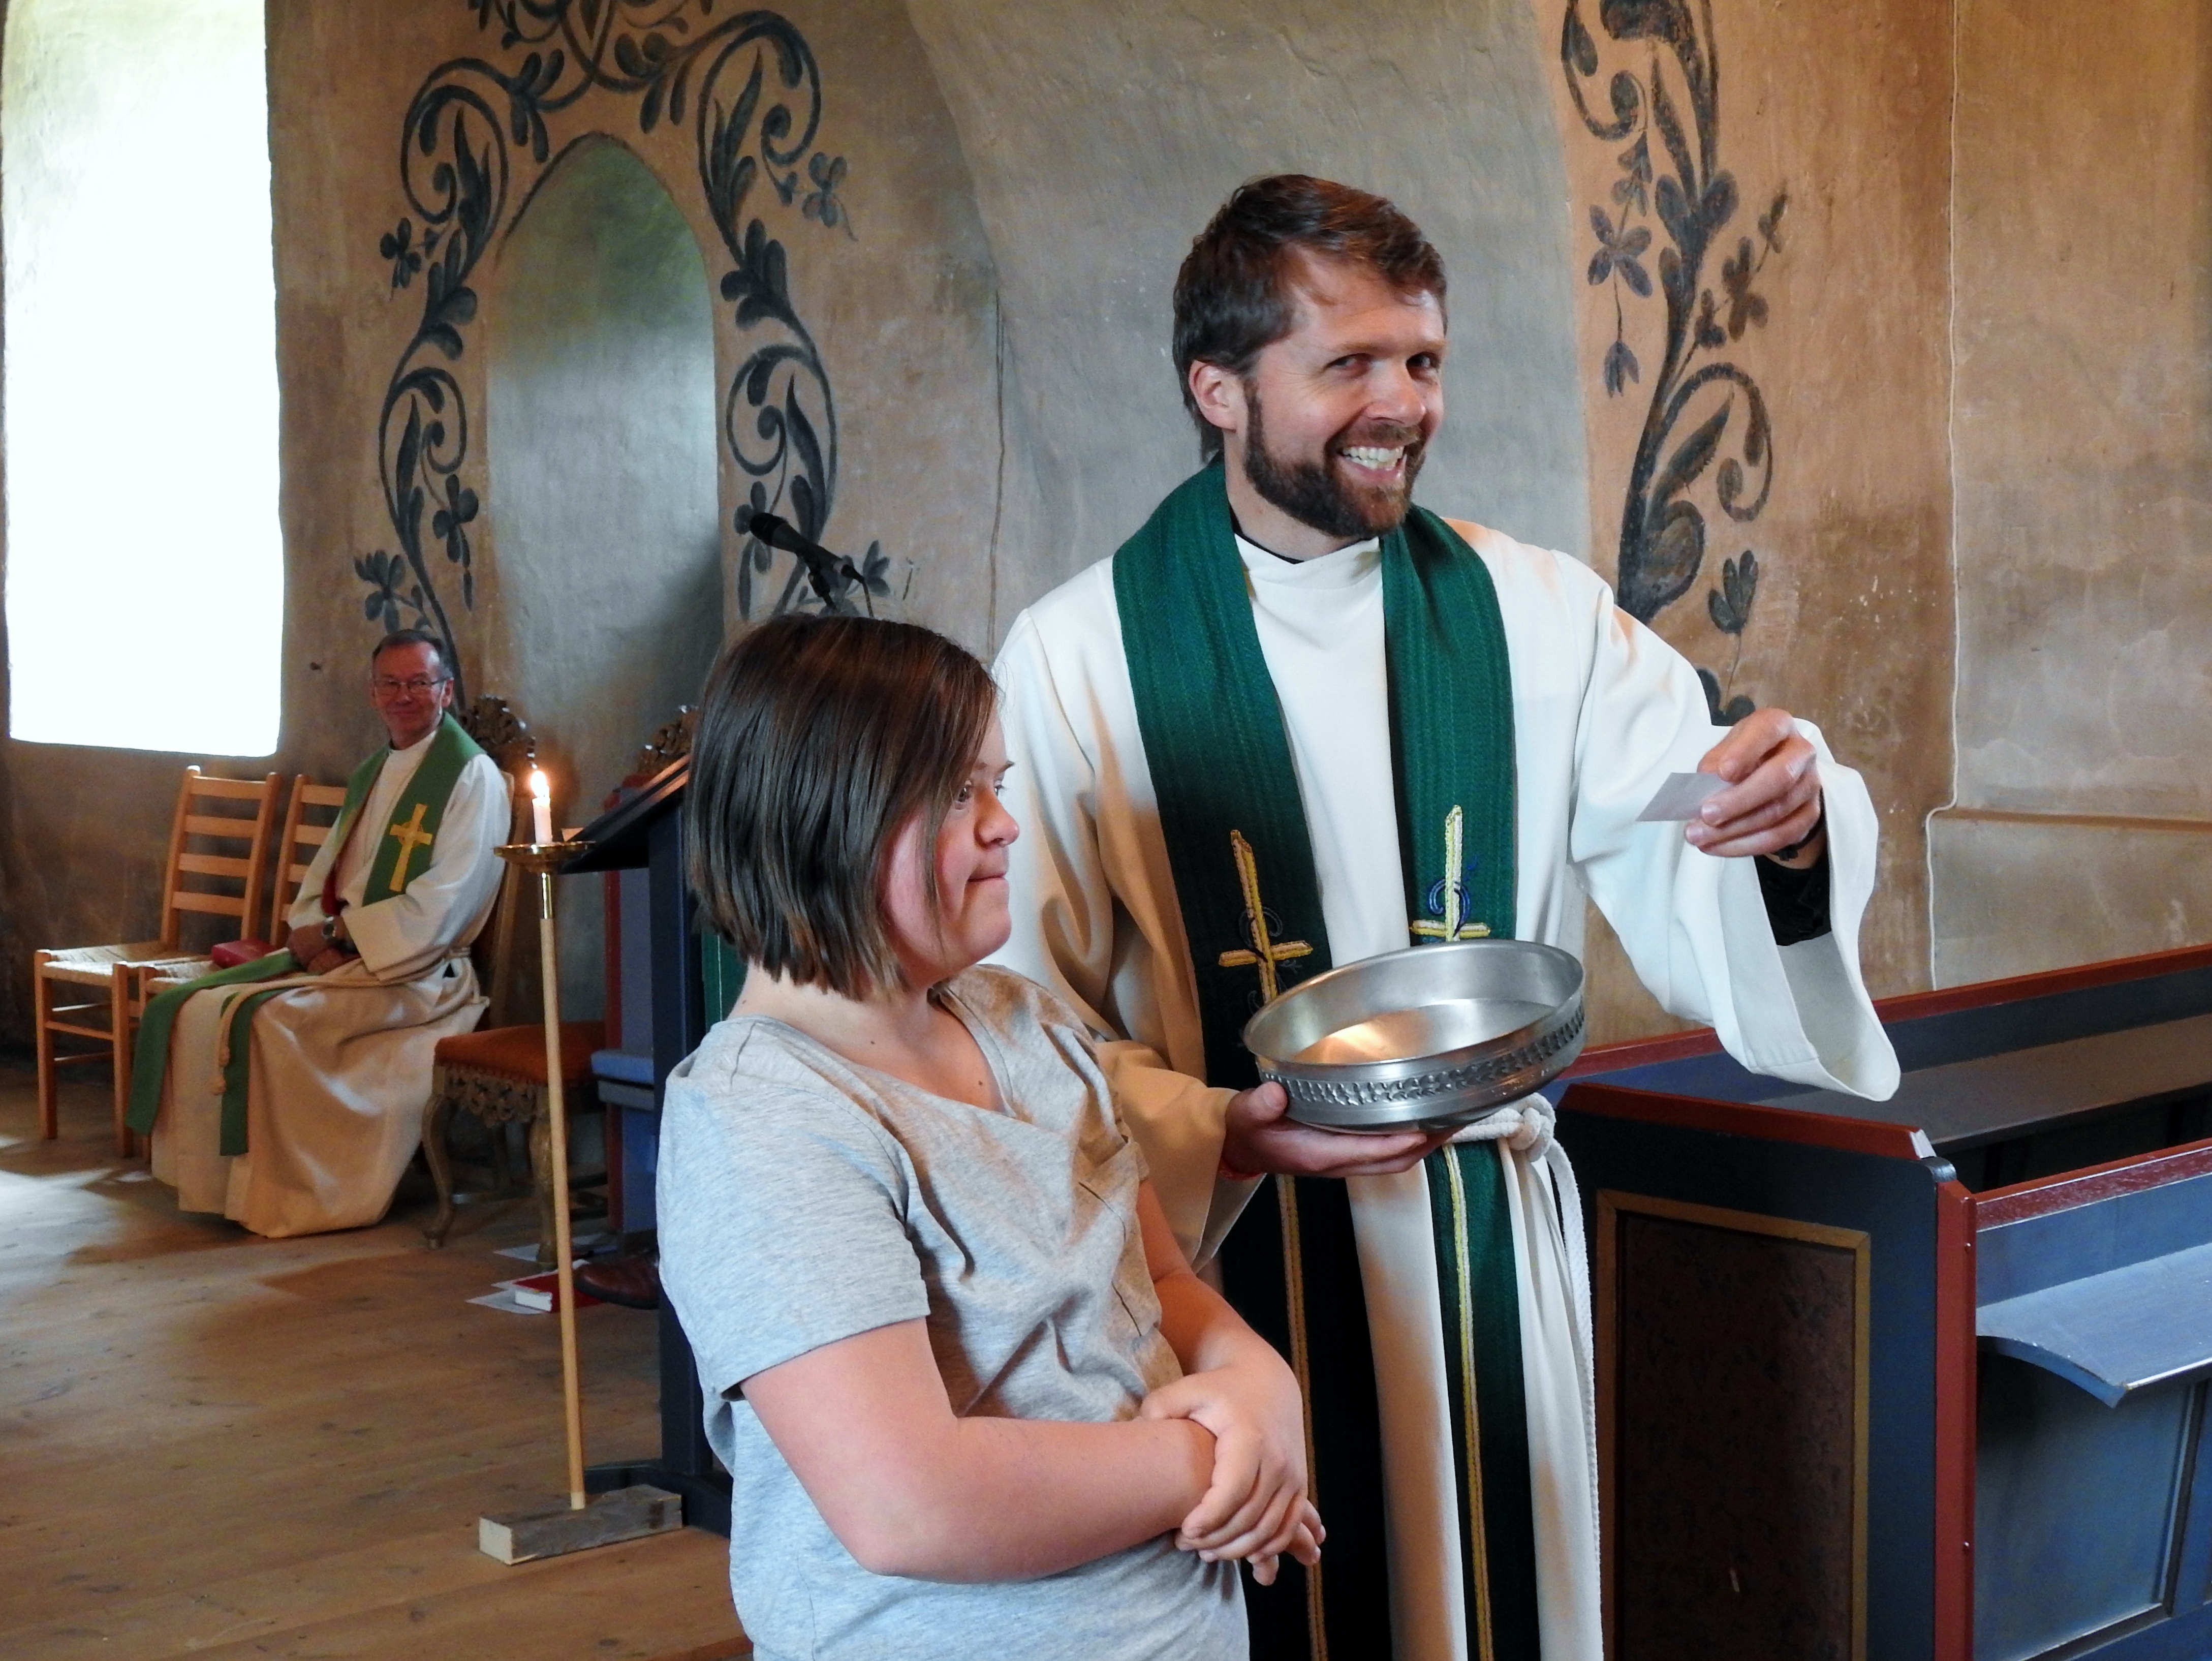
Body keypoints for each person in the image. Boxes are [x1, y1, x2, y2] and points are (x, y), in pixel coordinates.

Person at [989, 175, 1901, 1661]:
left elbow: (1682, 828)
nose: (1398, 403)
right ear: (1215, 388)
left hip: (1485, 1234)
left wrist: (1775, 821)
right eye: (1344, 363)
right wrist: (1215, 1125)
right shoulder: (1078, 659)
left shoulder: (1533, 615)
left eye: (1420, 361)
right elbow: (1012, 1025)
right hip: (1230, 1260)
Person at [656, 614, 1319, 1660]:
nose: (1005, 823)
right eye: (961, 791)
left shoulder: (1028, 1019)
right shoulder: (765, 1119)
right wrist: (1218, 1459)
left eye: (997, 783)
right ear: (826, 807)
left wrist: (1260, 1389)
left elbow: (1159, 1278)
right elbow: (909, 1503)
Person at [129, 629, 505, 1237]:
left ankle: (300, 1197)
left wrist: (338, 936)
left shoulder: (471, 777)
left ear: (446, 690)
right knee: (198, 1007)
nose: (404, 695)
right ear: (372, 692)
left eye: (419, 682)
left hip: (423, 974)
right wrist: (313, 936)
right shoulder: (373, 772)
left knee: (272, 1024)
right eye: (391, 683)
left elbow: (444, 903)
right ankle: (222, 1188)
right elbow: (323, 875)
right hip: (354, 957)